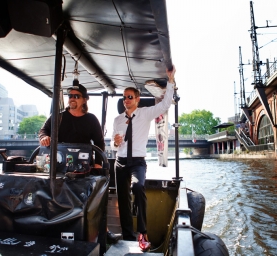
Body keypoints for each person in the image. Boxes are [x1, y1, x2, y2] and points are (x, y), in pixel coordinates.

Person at [38, 82, 121, 243]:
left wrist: (97, 164)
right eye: (70, 96)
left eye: (76, 96)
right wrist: (44, 138)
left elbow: (99, 143)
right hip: (60, 166)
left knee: (95, 197)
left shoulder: (91, 119)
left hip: (84, 168)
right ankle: (55, 229)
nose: (72, 99)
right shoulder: (59, 116)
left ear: (84, 100)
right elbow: (44, 130)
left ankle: (103, 231)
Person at [111, 68, 176, 251]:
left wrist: (170, 81)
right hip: (120, 163)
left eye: (130, 97)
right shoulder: (117, 120)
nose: (126, 100)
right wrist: (115, 143)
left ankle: (143, 233)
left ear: (137, 99)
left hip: (137, 162)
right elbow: (114, 144)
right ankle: (128, 236)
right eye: (124, 97)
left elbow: (164, 105)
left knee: (138, 186)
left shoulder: (145, 113)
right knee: (123, 201)